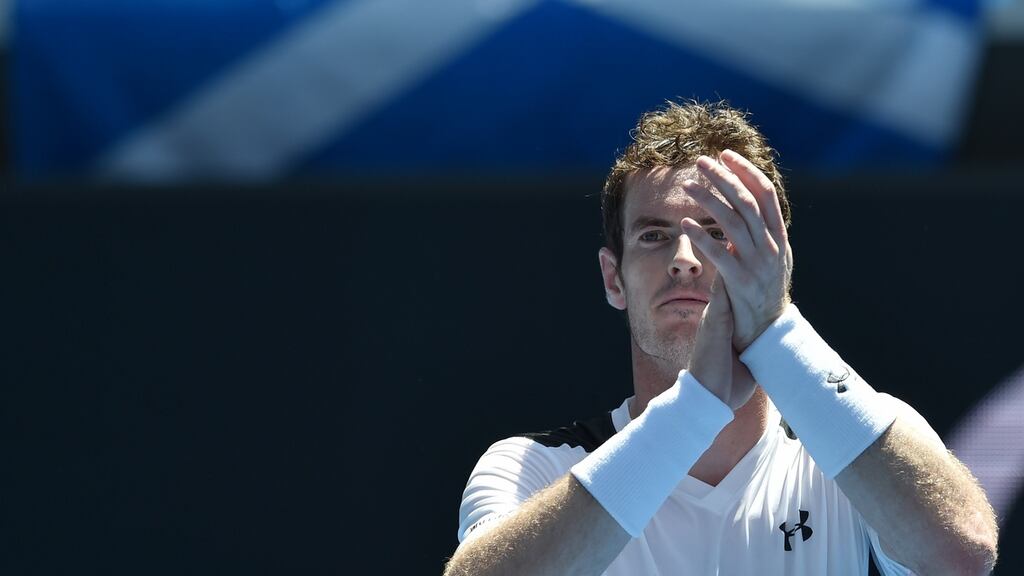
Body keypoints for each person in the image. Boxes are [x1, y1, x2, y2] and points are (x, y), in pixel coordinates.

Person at [442, 100, 998, 575]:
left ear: (772, 263)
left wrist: (777, 329)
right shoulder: (531, 466)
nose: (685, 260)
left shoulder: (854, 449)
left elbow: (962, 555)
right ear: (614, 278)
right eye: (655, 235)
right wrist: (695, 409)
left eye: (719, 234)